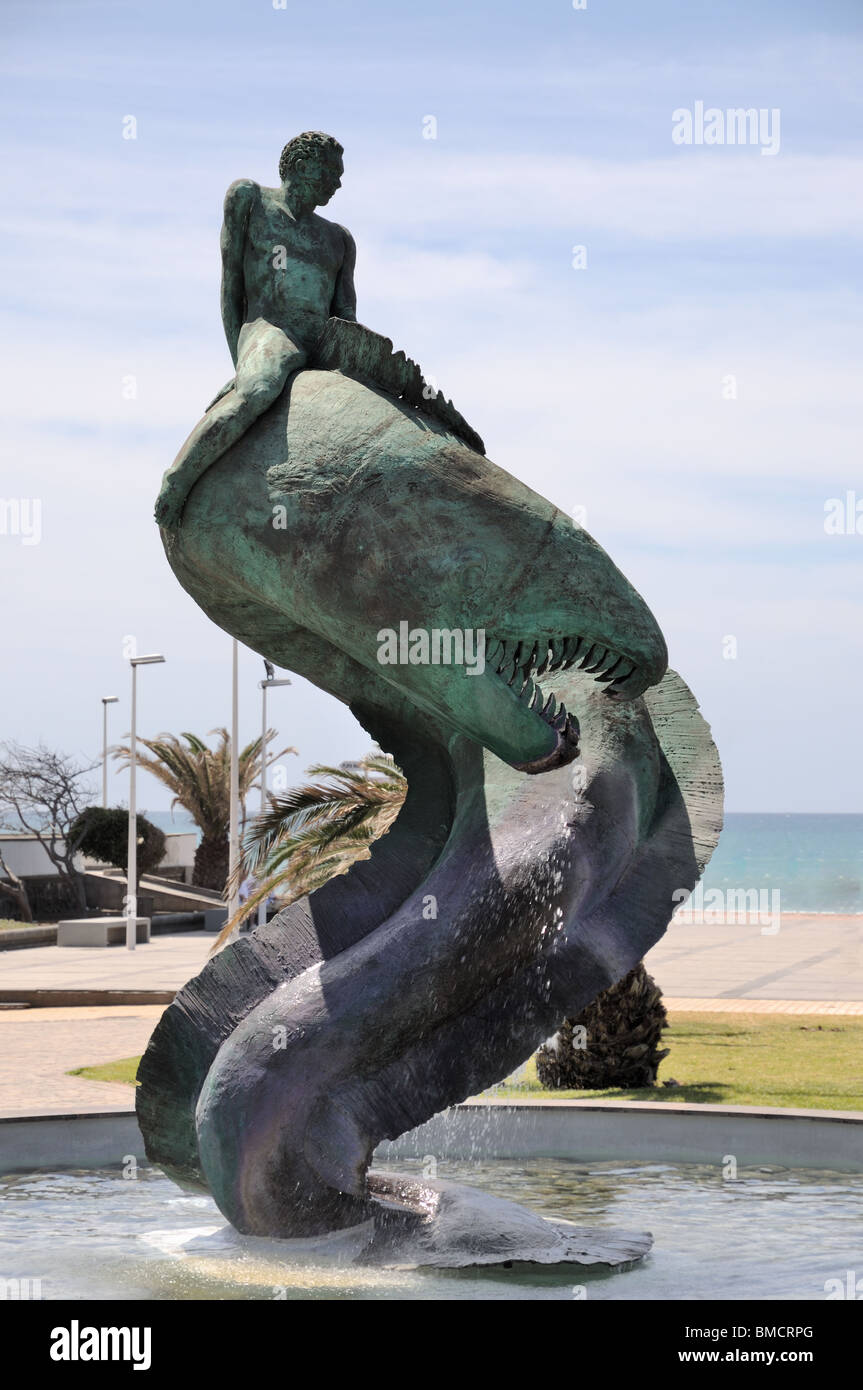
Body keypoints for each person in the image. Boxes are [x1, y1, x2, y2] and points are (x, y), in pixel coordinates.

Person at [155, 131, 356, 529]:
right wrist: (240, 365)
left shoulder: (340, 239)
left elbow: (346, 315)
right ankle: (178, 479)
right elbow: (231, 288)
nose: (338, 183)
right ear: (301, 167)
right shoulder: (249, 199)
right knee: (260, 389)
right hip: (271, 331)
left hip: (323, 342)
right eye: (331, 172)